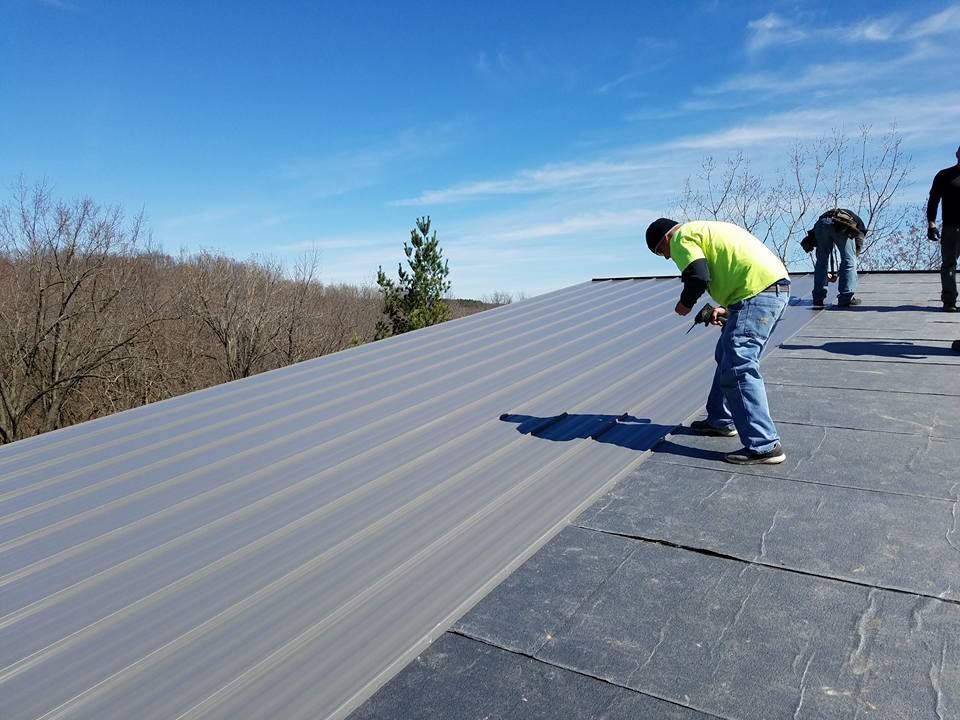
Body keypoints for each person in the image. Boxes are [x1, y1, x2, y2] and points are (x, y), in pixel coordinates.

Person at [646, 218, 790, 465]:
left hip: (756, 294)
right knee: (725, 354)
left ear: (664, 240)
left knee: (738, 366)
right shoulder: (705, 230)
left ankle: (764, 445)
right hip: (765, 290)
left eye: (661, 253)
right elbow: (733, 267)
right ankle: (720, 420)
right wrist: (727, 308)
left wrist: (685, 304)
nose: (668, 258)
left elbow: (698, 276)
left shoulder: (681, 238)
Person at [810, 208, 865, 308]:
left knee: (821, 261)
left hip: (821, 224)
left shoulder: (829, 217)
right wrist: (842, 270)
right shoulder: (860, 227)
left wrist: (836, 272)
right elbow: (856, 248)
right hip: (841, 223)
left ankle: (818, 297)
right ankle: (846, 297)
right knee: (849, 260)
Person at [927, 145, 960, 312]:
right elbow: (933, 200)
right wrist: (931, 223)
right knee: (948, 264)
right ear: (957, 155)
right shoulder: (944, 176)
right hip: (951, 227)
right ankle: (949, 301)